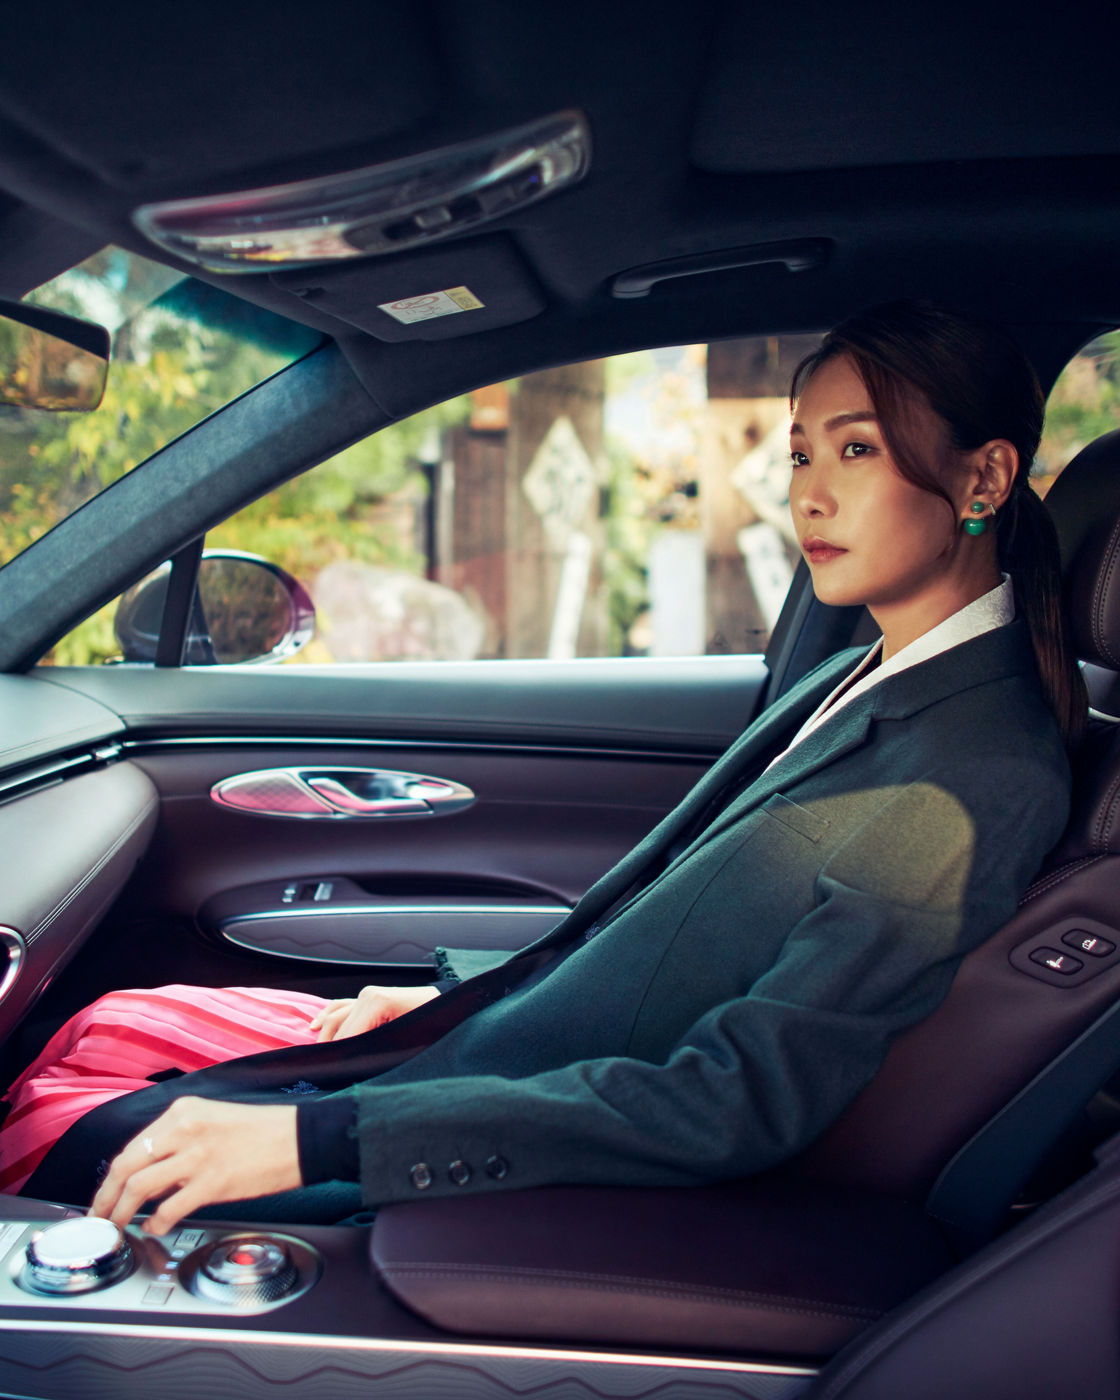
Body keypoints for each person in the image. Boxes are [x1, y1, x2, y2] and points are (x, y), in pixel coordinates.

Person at [0, 300, 1083, 1236]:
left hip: (513, 1145)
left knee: (72, 1141)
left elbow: (738, 1101)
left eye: (855, 450)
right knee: (110, 1032)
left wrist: (327, 1139)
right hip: (493, 1053)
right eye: (800, 453)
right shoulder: (872, 675)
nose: (808, 494)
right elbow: (667, 940)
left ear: (983, 474)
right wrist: (439, 991)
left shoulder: (972, 771)